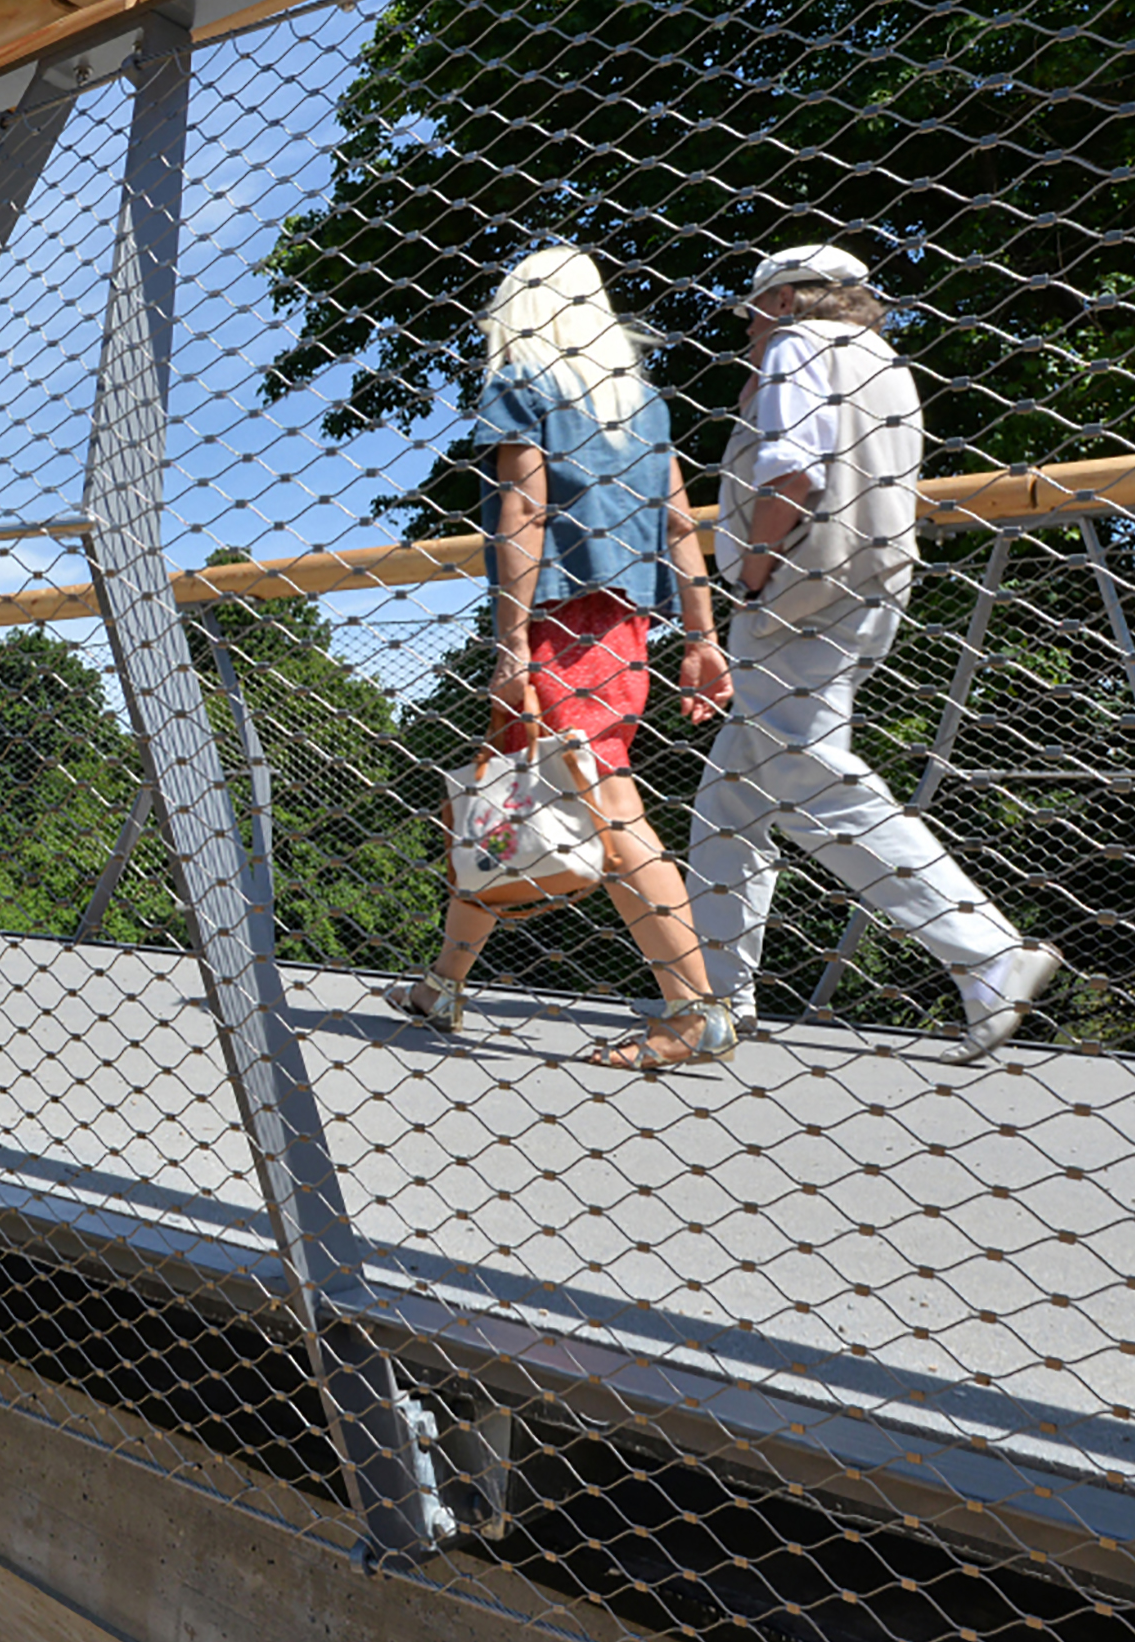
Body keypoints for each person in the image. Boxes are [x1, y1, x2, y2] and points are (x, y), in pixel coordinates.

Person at [687, 245, 1061, 1062]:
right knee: (731, 803)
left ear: (784, 299)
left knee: (812, 776)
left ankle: (988, 952)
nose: (748, 328)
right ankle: (717, 998)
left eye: (753, 311)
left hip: (794, 597)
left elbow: (790, 467)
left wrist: (751, 574)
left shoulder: (797, 344)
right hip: (869, 590)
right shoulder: (886, 362)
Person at [396, 246, 739, 1070]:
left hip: (556, 625)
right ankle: (444, 982)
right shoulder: (640, 403)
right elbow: (680, 525)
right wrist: (701, 638)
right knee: (504, 798)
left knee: (609, 813)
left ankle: (694, 1011)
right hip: (624, 629)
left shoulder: (523, 386)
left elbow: (523, 509)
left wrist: (511, 640)